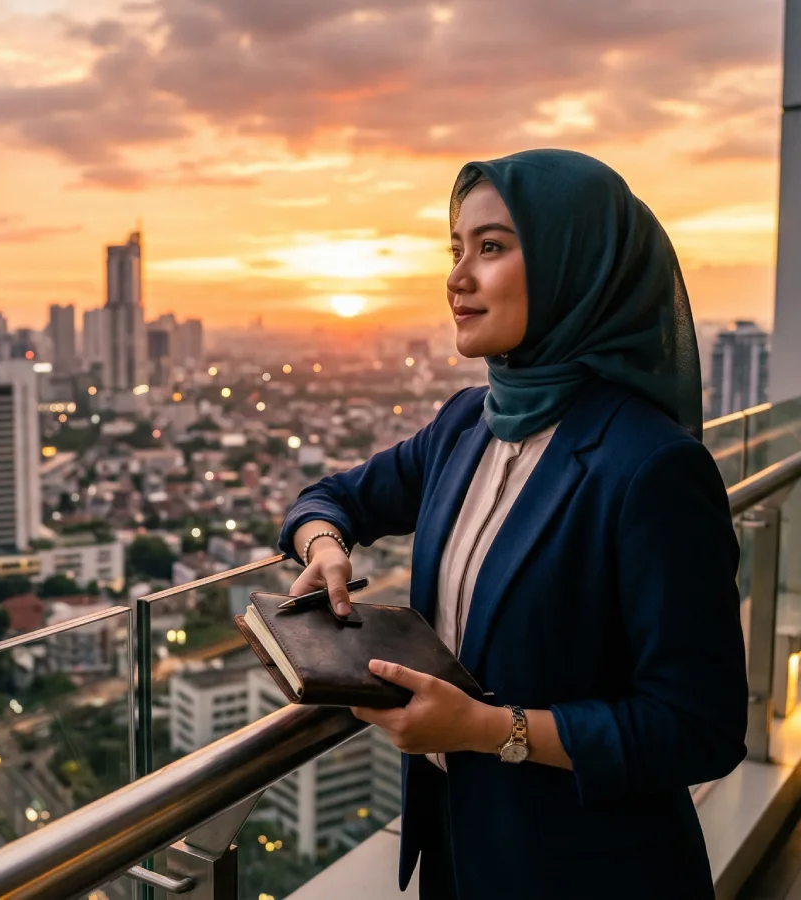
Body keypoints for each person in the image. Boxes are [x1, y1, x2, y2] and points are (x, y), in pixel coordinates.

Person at [277, 150, 748, 899]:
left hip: (589, 875)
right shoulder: (469, 422)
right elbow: (331, 498)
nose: (457, 277)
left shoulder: (652, 467)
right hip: (458, 851)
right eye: (455, 250)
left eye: (491, 247)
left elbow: (700, 727)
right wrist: (326, 548)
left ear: (576, 268)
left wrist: (486, 729)